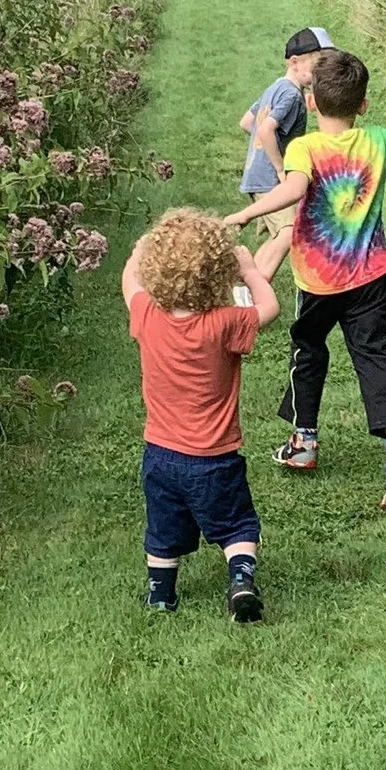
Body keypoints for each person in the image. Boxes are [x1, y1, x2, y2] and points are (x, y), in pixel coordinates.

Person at [232, 46, 386, 513]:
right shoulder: (377, 140)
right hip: (370, 276)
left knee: (308, 351)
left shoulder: (304, 147)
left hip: (317, 280)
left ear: (311, 103)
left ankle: (304, 440)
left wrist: (248, 210)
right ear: (363, 105)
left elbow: (292, 189)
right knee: (374, 353)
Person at [122, 209, 278, 621]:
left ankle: (160, 594)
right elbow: (270, 308)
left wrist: (140, 249)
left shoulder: (146, 316)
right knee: (237, 525)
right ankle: (241, 578)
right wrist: (248, 269)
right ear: (218, 274)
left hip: (160, 454)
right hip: (215, 456)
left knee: (163, 529)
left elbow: (129, 280)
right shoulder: (225, 323)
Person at [239, 25, 332, 197]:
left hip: (257, 180)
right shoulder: (292, 95)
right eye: (317, 66)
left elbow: (247, 122)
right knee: (288, 225)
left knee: (271, 224)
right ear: (294, 63)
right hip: (274, 183)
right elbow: (265, 129)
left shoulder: (276, 88)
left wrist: (264, 146)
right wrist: (281, 169)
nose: (322, 72)